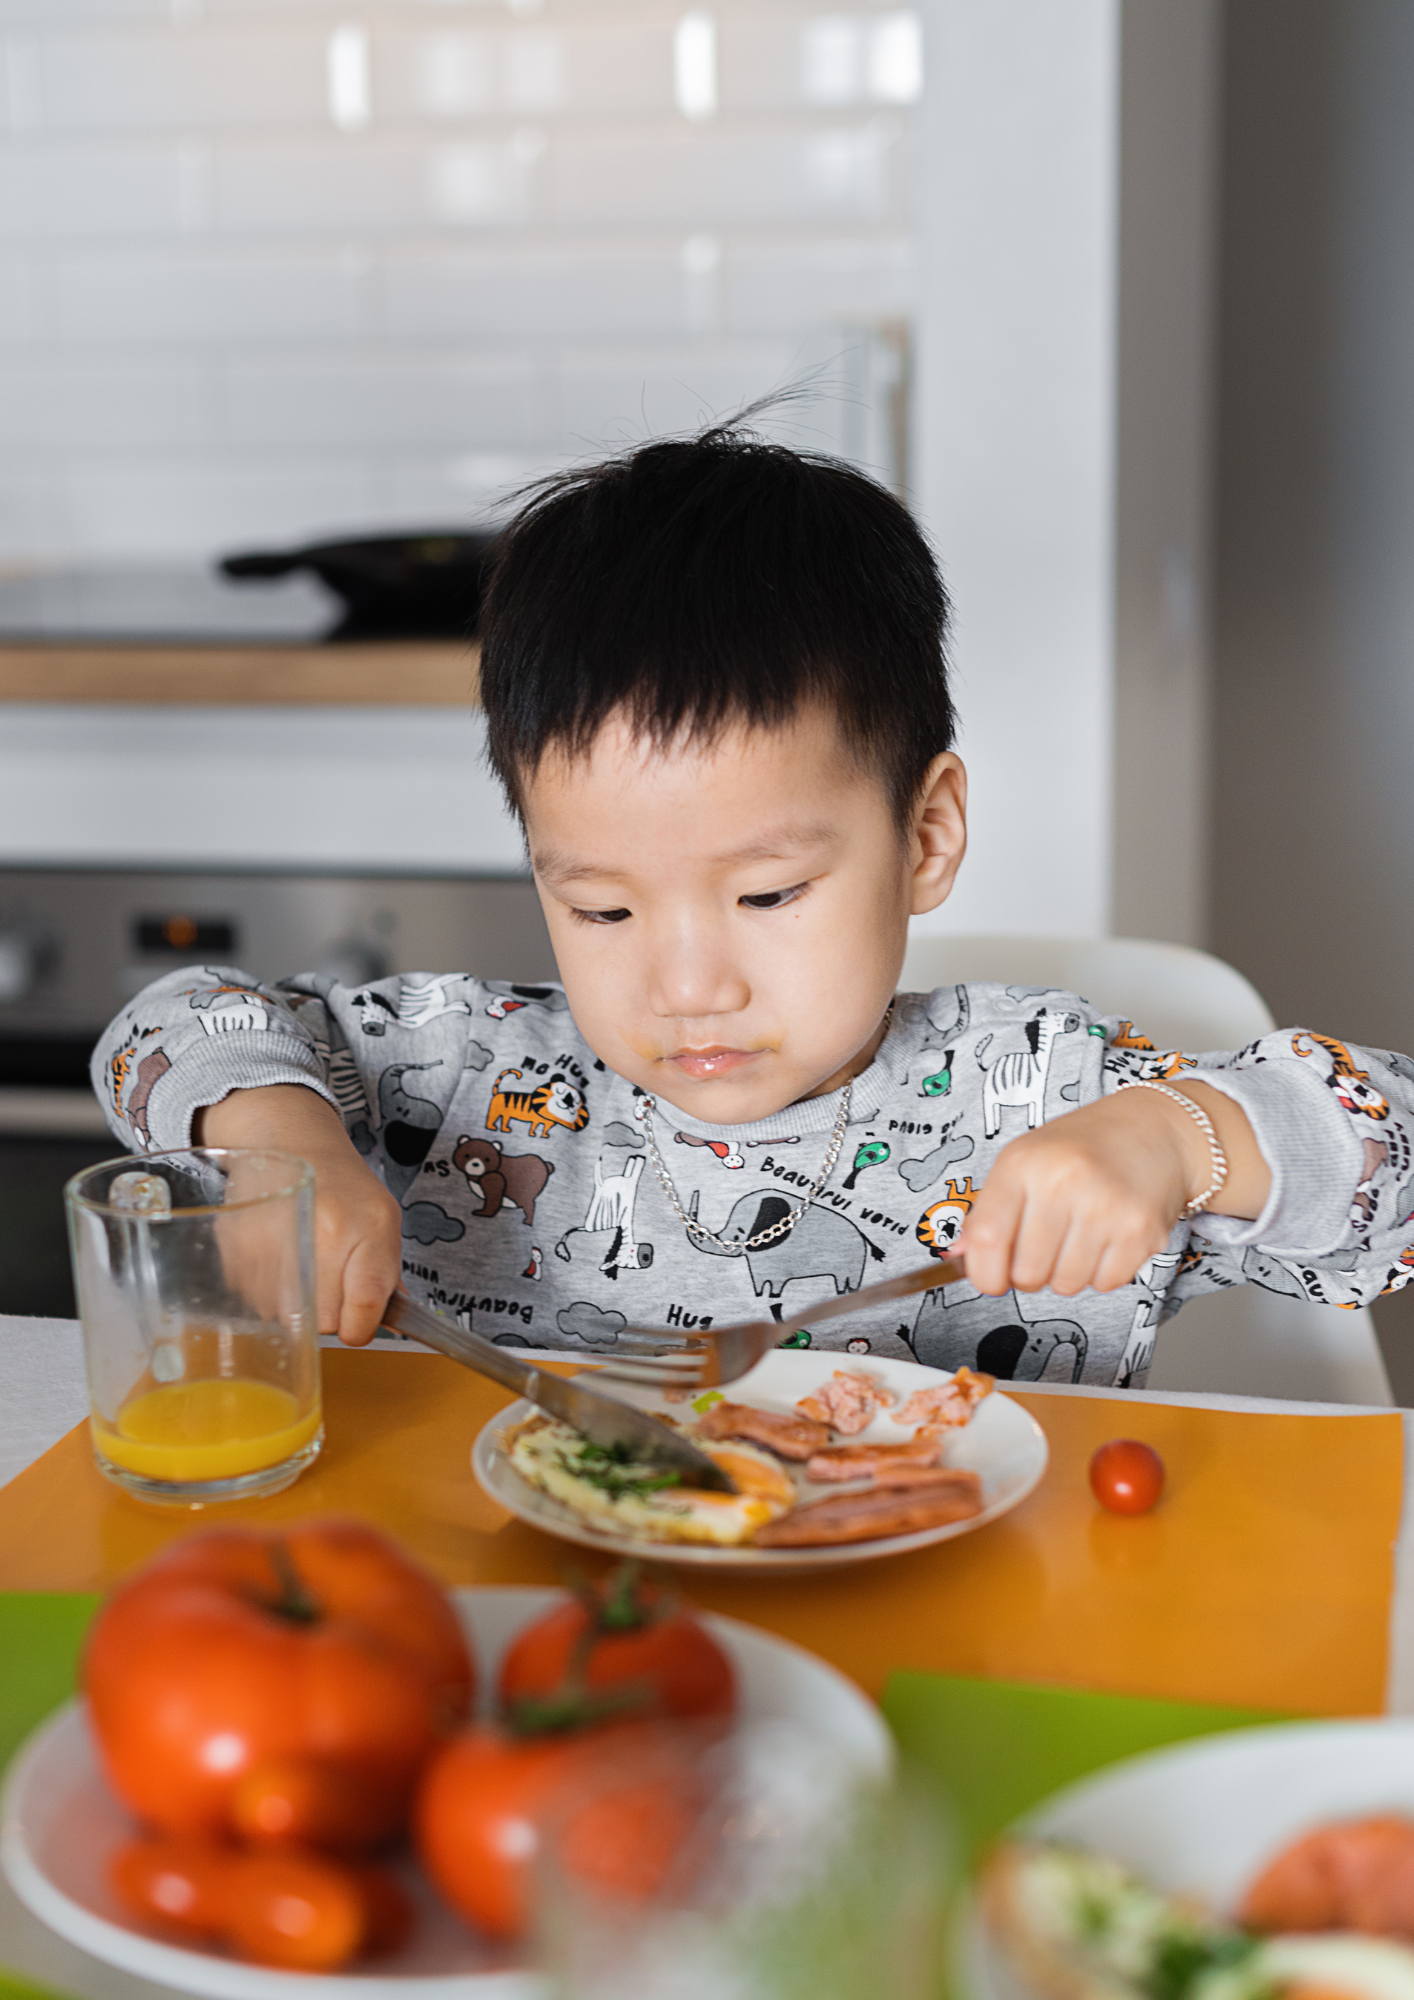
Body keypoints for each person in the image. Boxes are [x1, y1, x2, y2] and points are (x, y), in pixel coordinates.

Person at [91, 428, 1414, 1387]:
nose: (685, 984)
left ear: (926, 835)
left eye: (766, 893)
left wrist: (1175, 1139)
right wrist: (285, 1146)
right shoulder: (459, 1078)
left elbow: (1391, 1156)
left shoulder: (1036, 1093)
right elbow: (179, 1019)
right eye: (602, 909)